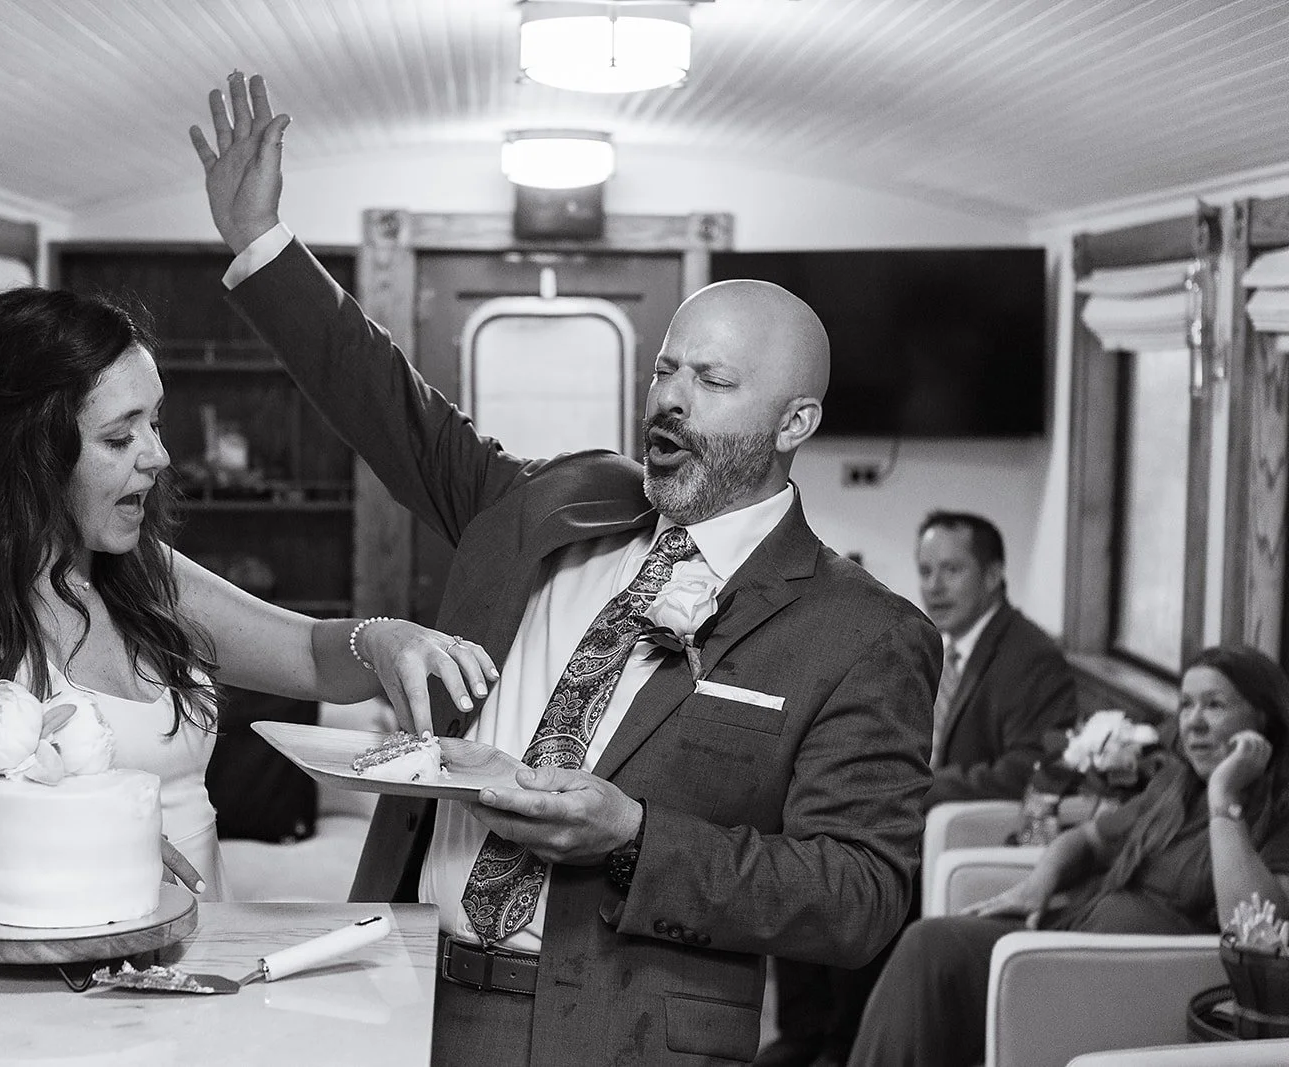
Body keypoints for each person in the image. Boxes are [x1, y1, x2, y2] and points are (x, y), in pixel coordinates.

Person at [189, 72, 941, 1066]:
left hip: (629, 1030)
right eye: (666, 367)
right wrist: (263, 244)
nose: (670, 398)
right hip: (411, 984)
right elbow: (391, 407)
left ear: (794, 422)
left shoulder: (859, 631)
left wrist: (634, 833)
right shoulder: (557, 500)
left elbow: (859, 897)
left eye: (712, 381)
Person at [0, 285, 496, 905]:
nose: (157, 456)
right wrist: (73, 821)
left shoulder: (140, 571)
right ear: (25, 453)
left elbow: (311, 657)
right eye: (119, 436)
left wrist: (380, 637)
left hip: (201, 967)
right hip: (52, 988)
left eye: (156, 423)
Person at [848, 644, 1289, 1067]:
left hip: (1112, 976)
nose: (1193, 723)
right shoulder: (1175, 784)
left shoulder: (1275, 812)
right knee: (930, 944)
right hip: (1070, 929)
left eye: (1214, 705)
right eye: (1187, 704)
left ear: (1263, 720)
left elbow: (1257, 932)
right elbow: (1087, 841)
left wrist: (1223, 800)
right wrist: (1037, 885)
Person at [762, 511, 1079, 1066]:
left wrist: (919, 788)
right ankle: (805, 1031)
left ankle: (843, 1040)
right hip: (907, 811)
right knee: (800, 839)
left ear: (996, 573)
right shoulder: (928, 640)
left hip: (947, 832)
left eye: (951, 570)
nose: (933, 585)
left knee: (856, 866)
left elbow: (1034, 768)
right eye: (926, 570)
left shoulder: (1032, 657)